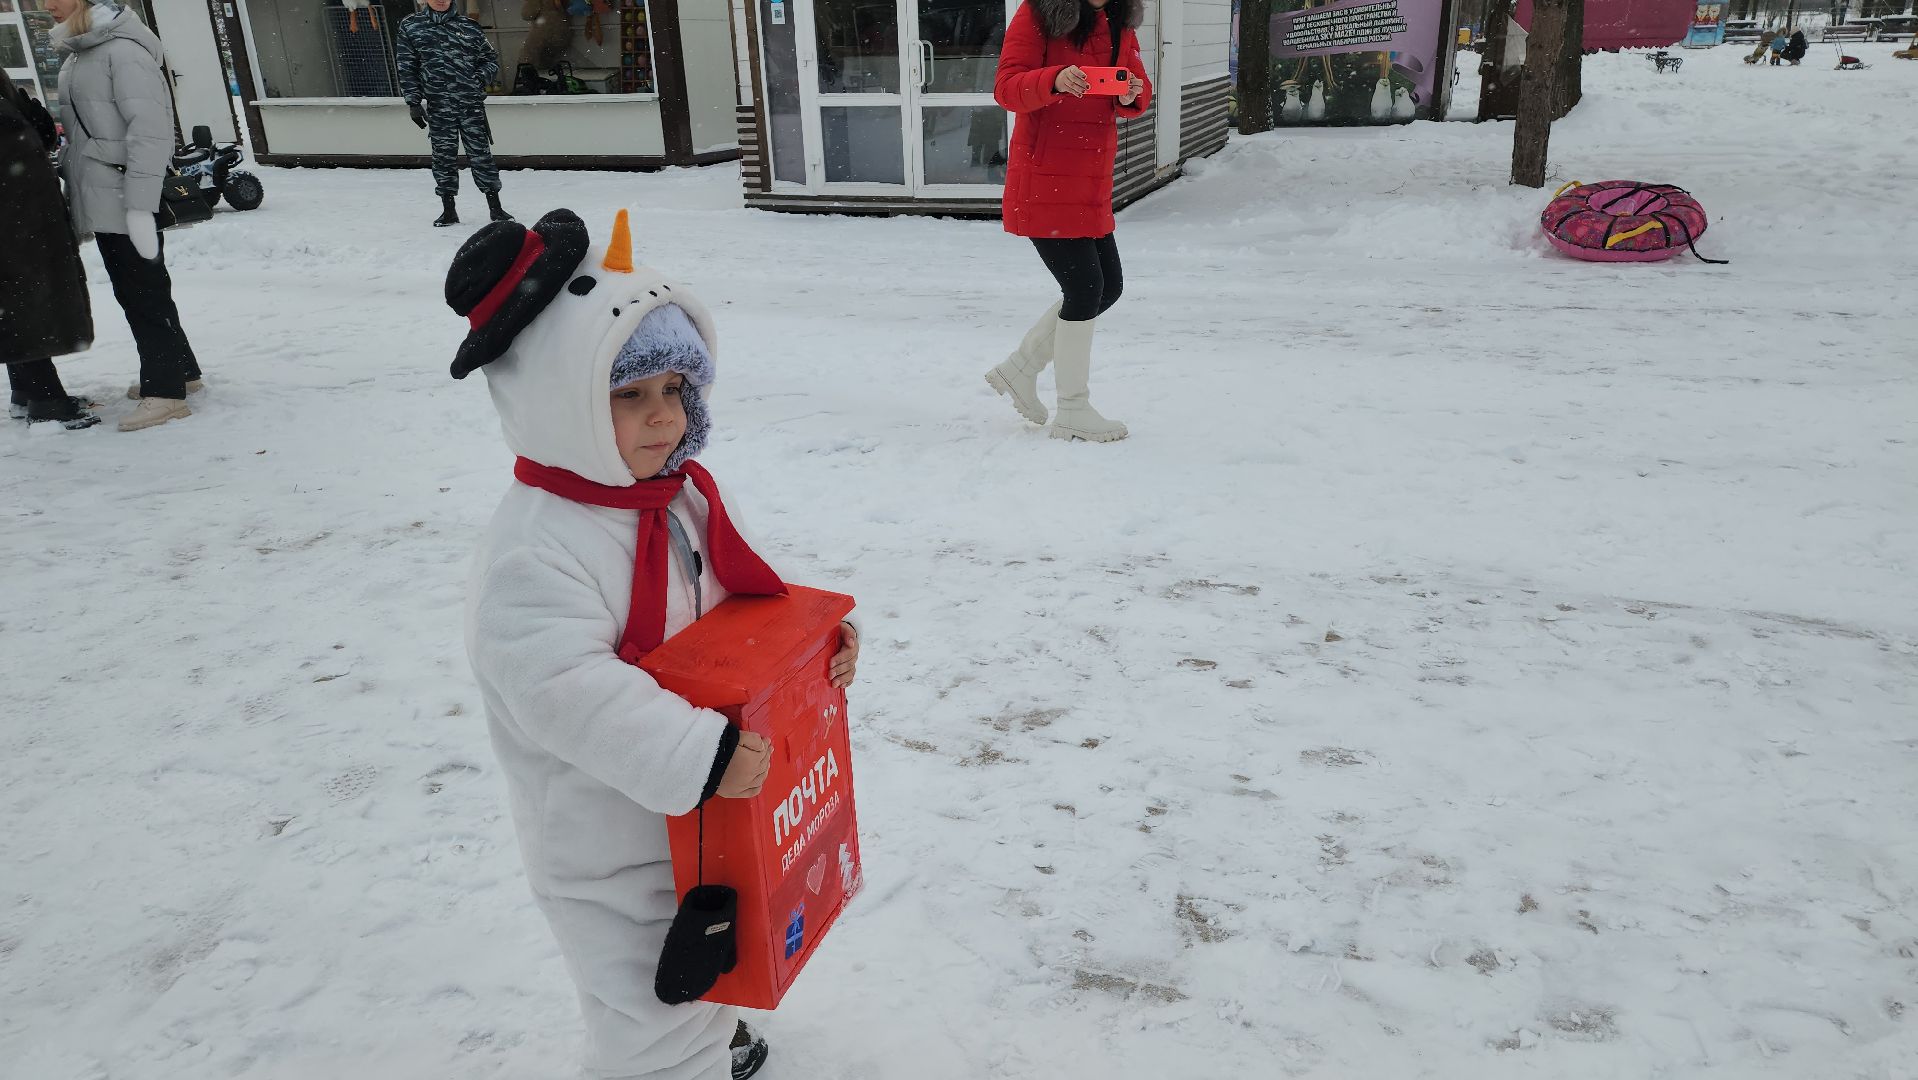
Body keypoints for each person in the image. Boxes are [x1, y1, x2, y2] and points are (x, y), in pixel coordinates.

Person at [446, 208, 860, 1080]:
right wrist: (691, 752)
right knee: (649, 1017)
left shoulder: (681, 497)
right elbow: (560, 685)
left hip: (708, 816)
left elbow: (742, 611)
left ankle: (718, 1030)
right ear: (558, 402)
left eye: (675, 390)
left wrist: (814, 655)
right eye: (627, 395)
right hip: (609, 847)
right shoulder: (536, 547)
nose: (663, 417)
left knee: (713, 959)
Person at [985, 0, 1150, 443]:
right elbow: (1006, 87)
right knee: (1084, 288)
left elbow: (1136, 87)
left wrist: (1131, 92)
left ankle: (1021, 368)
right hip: (1045, 178)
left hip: (1091, 178)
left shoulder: (1120, 20)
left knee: (1107, 287)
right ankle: (1073, 408)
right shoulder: (1039, 12)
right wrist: (1054, 79)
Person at [49, 0, 206, 432]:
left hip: (127, 194)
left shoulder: (122, 51)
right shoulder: (82, 53)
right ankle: (182, 371)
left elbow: (151, 132)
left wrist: (139, 204)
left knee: (144, 293)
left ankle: (166, 393)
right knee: (139, 288)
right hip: (105, 192)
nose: (47, 6)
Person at [1, 67, 99, 428]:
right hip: (13, 224)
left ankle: (26, 394)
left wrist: (30, 118)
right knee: (21, 306)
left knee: (15, 306)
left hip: (21, 219)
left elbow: (35, 140)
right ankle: (46, 401)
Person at [398, 0, 513, 228]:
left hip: (470, 104)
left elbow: (489, 60)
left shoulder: (469, 26)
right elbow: (406, 65)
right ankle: (448, 210)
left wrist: (478, 78)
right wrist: (413, 101)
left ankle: (496, 208)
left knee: (481, 155)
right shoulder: (411, 26)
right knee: (443, 158)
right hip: (439, 106)